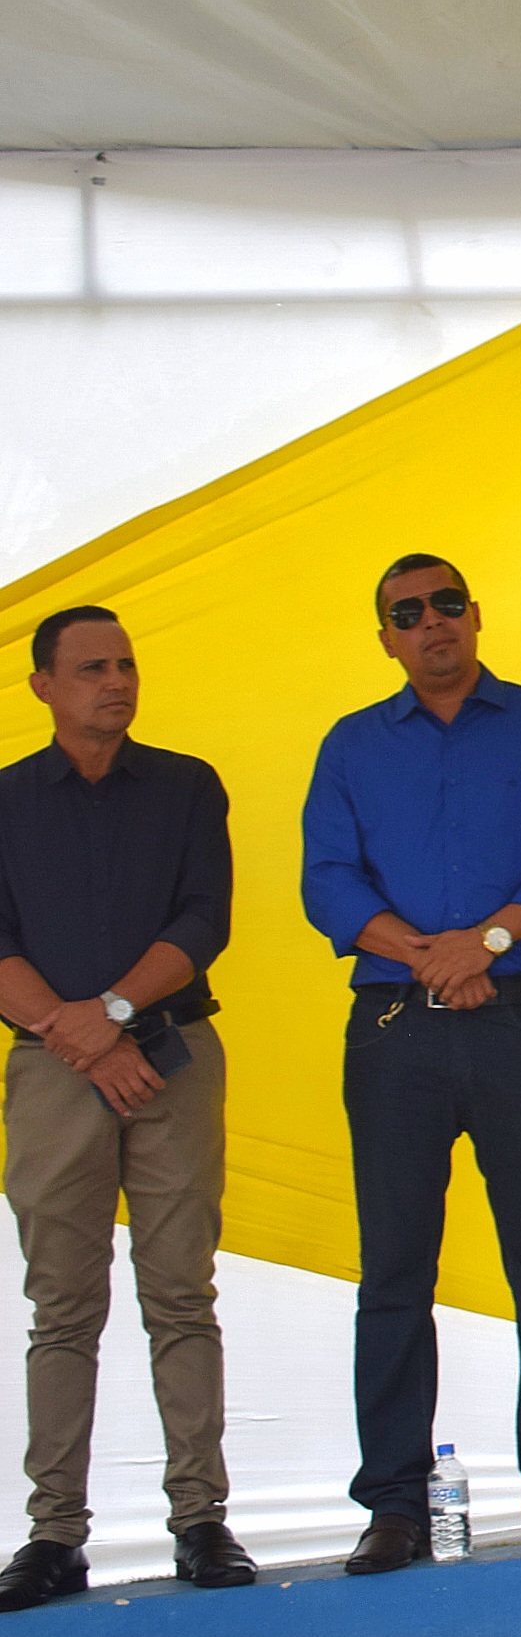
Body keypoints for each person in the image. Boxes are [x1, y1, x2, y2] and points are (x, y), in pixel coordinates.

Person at [302, 555, 521, 1573]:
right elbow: (327, 883)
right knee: (395, 1271)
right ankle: (395, 1506)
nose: (432, 622)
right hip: (397, 1026)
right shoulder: (352, 745)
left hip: (516, 1022)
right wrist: (433, 957)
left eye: (447, 603)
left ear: (476, 615)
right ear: (386, 639)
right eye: (408, 613)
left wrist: (481, 945)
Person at [0, 607, 251, 1608]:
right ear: (43, 686)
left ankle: (201, 1519)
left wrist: (107, 1017)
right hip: (54, 1068)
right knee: (63, 1307)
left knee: (181, 1294)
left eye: (127, 664)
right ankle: (54, 1535)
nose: (117, 681)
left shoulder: (186, 785)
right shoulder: (6, 799)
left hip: (168, 1056)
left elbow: (205, 917)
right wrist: (79, 1038)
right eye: (93, 667)